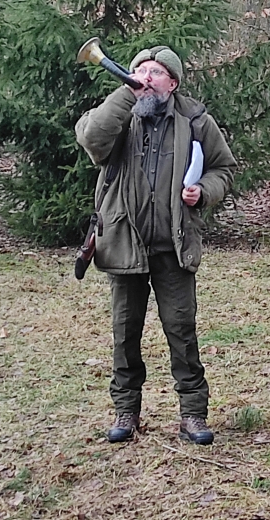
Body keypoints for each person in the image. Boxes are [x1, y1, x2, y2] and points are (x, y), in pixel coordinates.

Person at [76, 45, 236, 446]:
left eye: (156, 72)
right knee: (125, 334)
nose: (146, 78)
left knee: (182, 332)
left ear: (173, 83)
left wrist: (204, 190)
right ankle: (126, 411)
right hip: (123, 244)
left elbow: (223, 169)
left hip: (173, 248)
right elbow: (92, 139)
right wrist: (126, 94)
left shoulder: (195, 120)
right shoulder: (117, 114)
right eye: (140, 71)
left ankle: (193, 415)